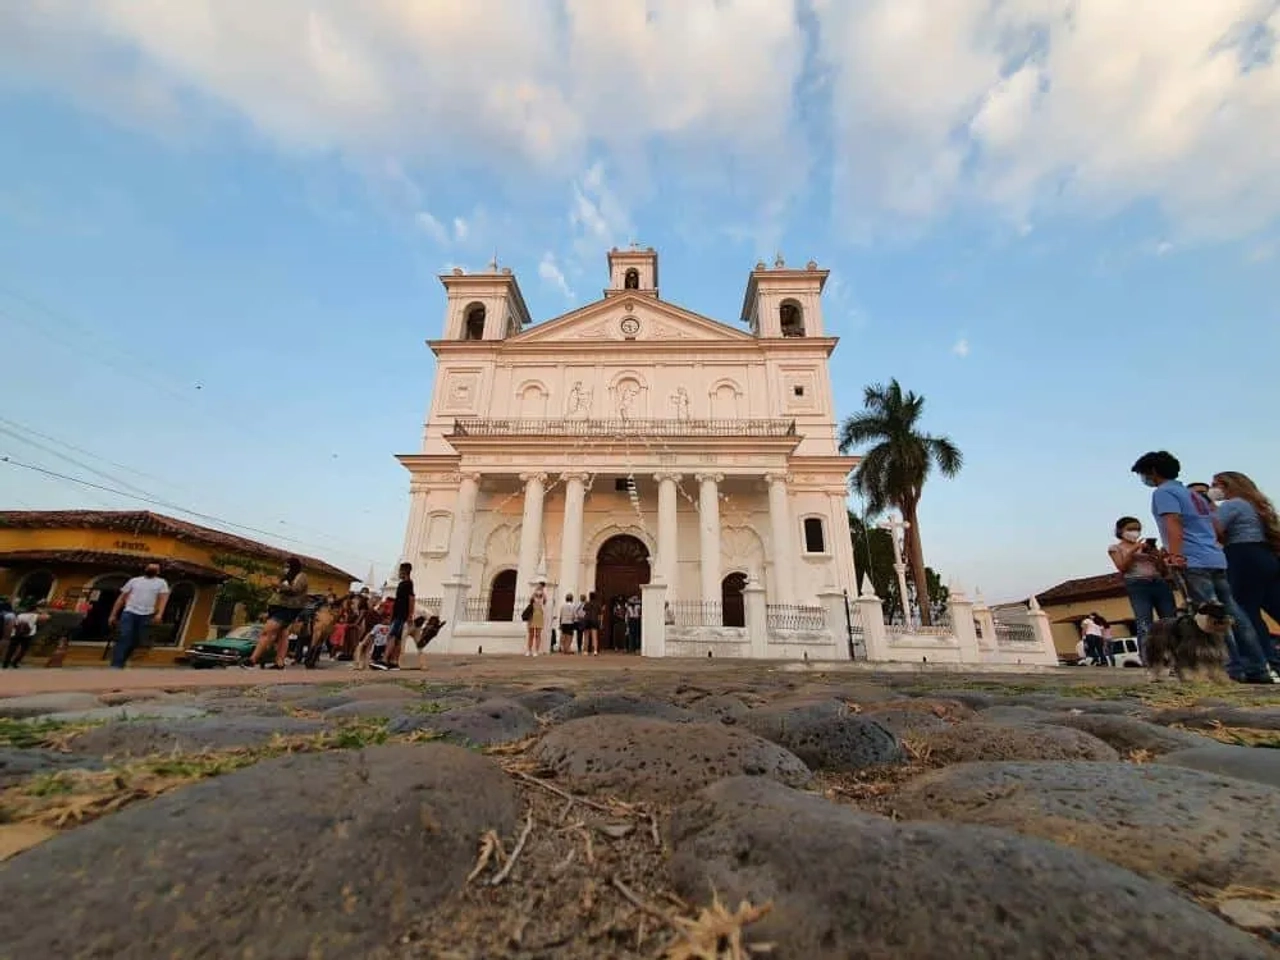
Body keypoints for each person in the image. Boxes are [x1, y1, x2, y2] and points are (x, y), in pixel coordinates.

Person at [1131, 451, 1273, 683]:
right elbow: (1215, 524)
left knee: (1206, 621)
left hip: (1192, 559)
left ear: (1153, 472)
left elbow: (1173, 522)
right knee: (1233, 613)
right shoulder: (1194, 495)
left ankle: (1231, 668)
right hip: (1215, 558)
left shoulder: (1164, 492)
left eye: (1144, 474)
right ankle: (1257, 667)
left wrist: (1176, 554)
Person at [1210, 471, 1280, 676]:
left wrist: (1208, 510)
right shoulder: (1254, 506)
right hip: (1264, 556)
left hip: (1242, 555)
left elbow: (1215, 530)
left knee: (1245, 611)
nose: (1213, 489)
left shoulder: (1232, 505)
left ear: (1228, 485)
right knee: (1274, 605)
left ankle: (1264, 660)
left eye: (1216, 484)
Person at [1108, 516, 1177, 664]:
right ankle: (1149, 660)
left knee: (1170, 620)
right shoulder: (1116, 548)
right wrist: (1133, 551)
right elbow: (1122, 567)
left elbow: (1164, 571)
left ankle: (1174, 656)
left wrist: (1158, 556)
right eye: (1131, 529)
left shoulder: (1146, 548)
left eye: (1138, 529)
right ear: (1121, 530)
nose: (1135, 532)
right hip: (1137, 584)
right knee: (1144, 622)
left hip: (1158, 582)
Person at [247, 557, 309, 671]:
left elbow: (295, 590)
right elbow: (278, 593)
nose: (285, 568)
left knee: (267, 631)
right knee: (283, 634)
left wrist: (278, 585)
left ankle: (252, 660)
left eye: (288, 566)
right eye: (285, 566)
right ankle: (279, 663)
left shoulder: (301, 576)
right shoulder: (285, 577)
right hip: (276, 608)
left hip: (288, 609)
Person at [108, 562, 169, 669]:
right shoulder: (134, 581)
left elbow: (163, 599)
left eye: (155, 568)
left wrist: (159, 614)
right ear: (146, 569)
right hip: (129, 612)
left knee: (136, 640)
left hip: (147, 614)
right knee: (124, 635)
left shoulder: (161, 583)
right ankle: (116, 665)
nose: (152, 569)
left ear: (158, 572)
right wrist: (113, 614)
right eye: (150, 567)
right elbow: (121, 598)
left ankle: (122, 660)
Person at [379, 562, 415, 671]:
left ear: (404, 571)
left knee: (392, 636)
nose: (399, 573)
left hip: (401, 614)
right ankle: (394, 661)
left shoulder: (407, 583)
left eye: (400, 571)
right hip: (398, 614)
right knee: (398, 639)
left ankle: (385, 660)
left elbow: (411, 599)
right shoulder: (403, 584)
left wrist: (409, 615)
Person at [523, 582, 547, 656]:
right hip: (531, 615)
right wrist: (535, 591)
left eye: (540, 586)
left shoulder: (543, 596)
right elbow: (530, 600)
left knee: (538, 634)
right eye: (538, 586)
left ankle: (536, 650)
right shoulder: (533, 596)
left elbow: (545, 601)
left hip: (539, 615)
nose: (539, 588)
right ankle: (529, 650)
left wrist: (542, 592)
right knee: (531, 634)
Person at [582, 591, 600, 656]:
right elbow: (599, 613)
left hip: (587, 620)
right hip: (594, 620)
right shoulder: (597, 604)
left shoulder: (587, 603)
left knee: (586, 636)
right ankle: (595, 651)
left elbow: (584, 610)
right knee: (594, 636)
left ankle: (585, 651)